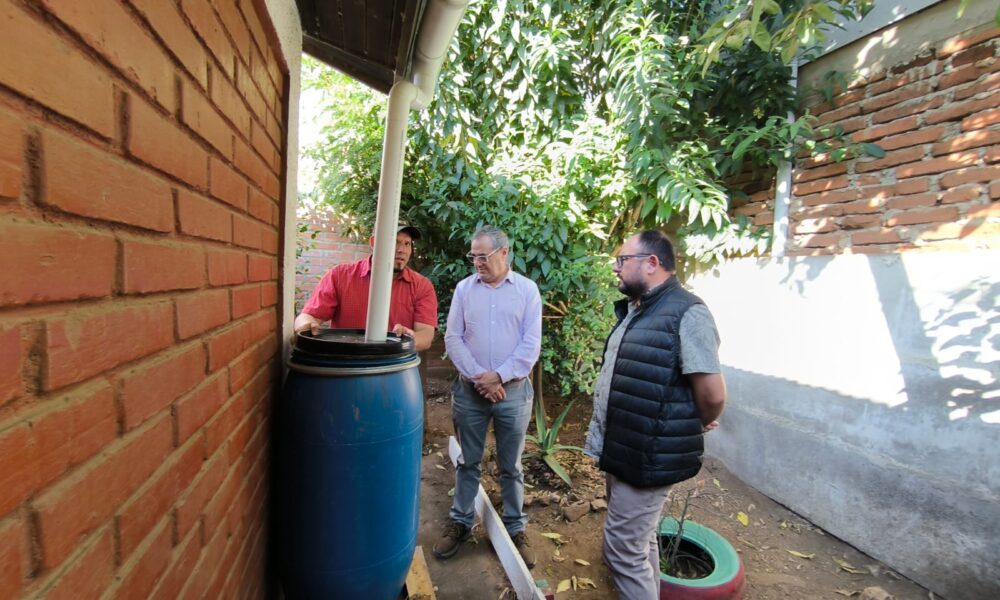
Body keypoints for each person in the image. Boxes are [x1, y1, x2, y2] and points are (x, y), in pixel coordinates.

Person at [583, 230, 726, 600]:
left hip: (649, 454)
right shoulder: (639, 309)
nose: (615, 268)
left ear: (651, 263)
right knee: (640, 540)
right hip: (624, 446)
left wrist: (694, 419)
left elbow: (712, 394)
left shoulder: (688, 313)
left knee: (622, 550)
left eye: (622, 260)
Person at [434, 226, 542, 568]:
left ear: (504, 252)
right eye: (473, 256)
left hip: (514, 393)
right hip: (471, 392)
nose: (477, 262)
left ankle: (515, 526)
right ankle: (461, 522)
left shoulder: (527, 290)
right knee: (468, 461)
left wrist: (499, 376)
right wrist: (481, 379)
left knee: (511, 465)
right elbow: (453, 338)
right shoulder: (464, 289)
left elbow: (531, 344)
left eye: (483, 256)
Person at [294, 225, 438, 351]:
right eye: (395, 242)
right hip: (345, 362)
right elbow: (308, 316)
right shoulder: (340, 276)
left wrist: (411, 339)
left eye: (407, 244)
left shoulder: (422, 285)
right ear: (374, 242)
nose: (402, 250)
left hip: (397, 365)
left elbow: (426, 335)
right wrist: (306, 325)